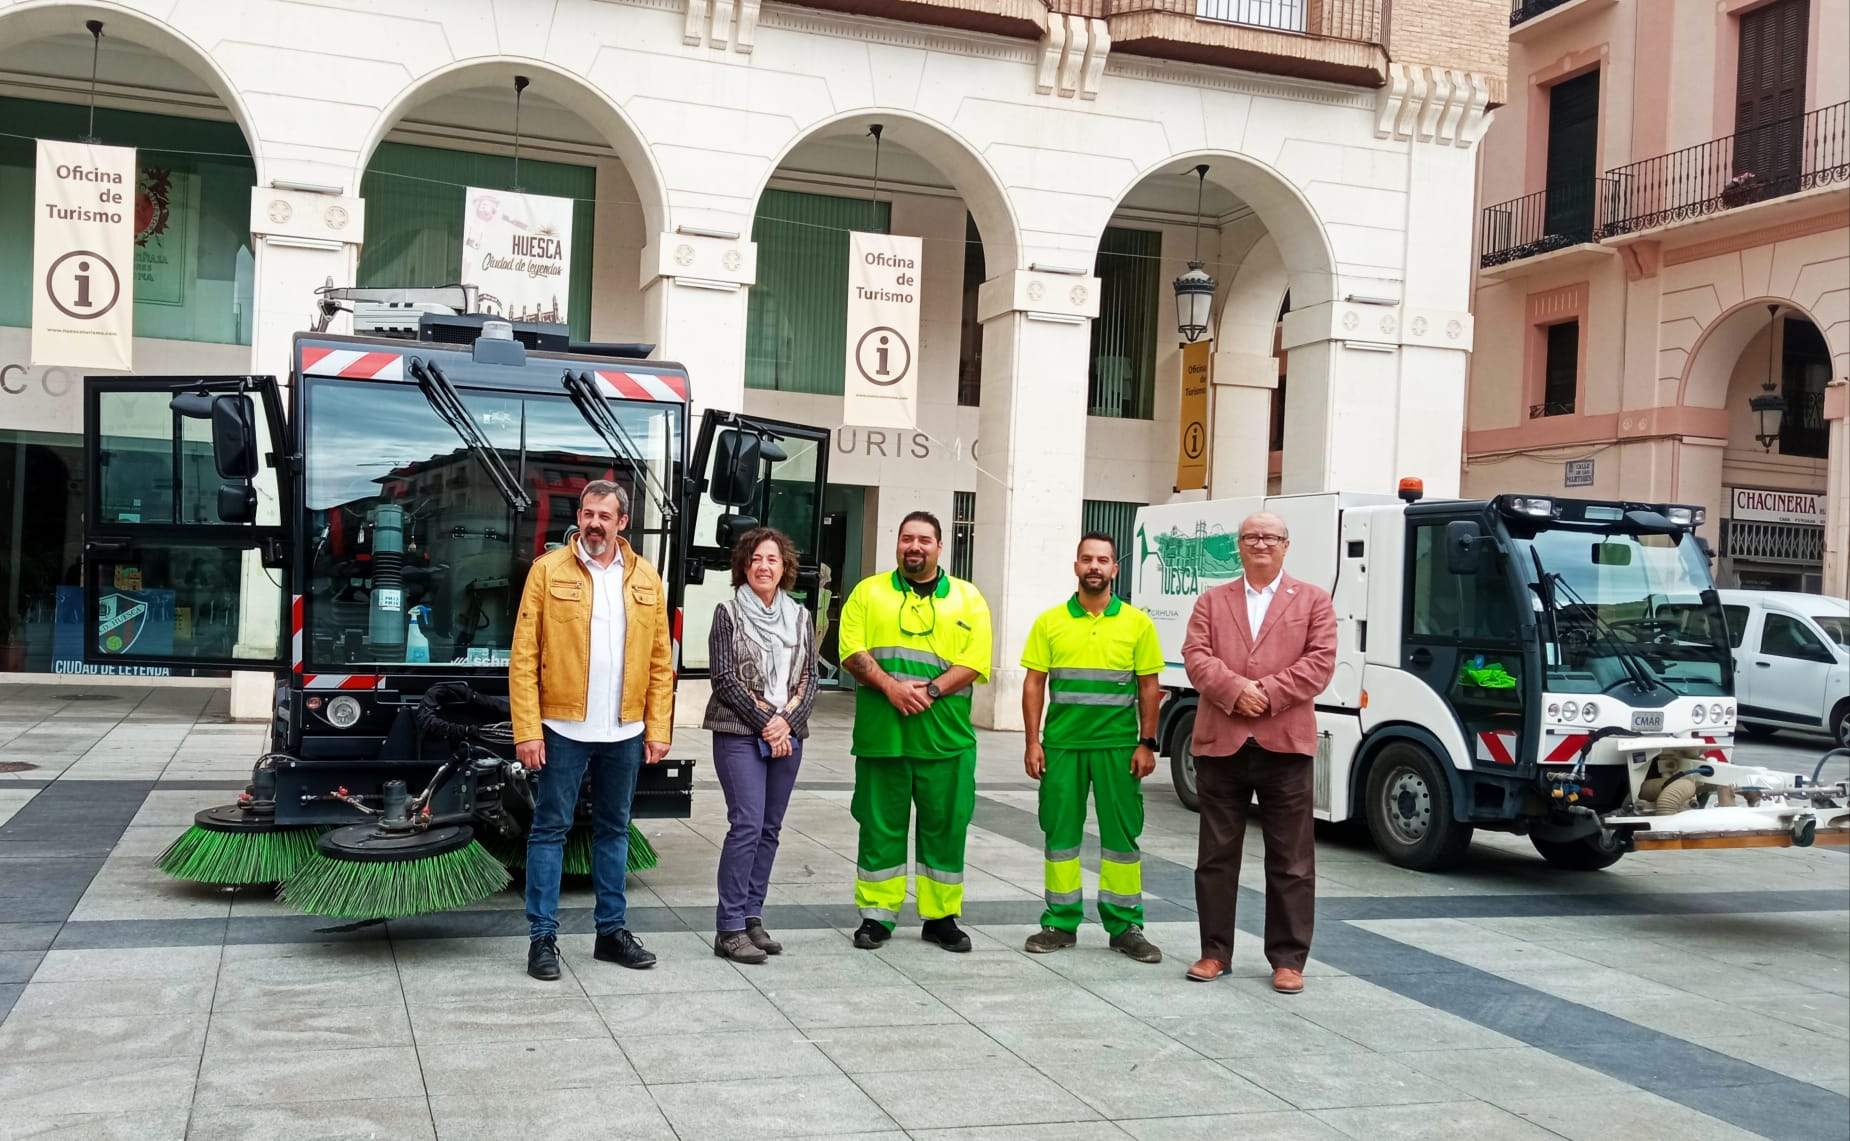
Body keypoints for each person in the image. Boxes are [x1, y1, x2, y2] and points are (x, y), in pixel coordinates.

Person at [510, 480, 673, 981]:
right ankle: (542, 938)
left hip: (624, 729)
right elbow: (525, 656)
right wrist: (528, 729)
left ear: (622, 522)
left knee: (614, 829)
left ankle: (611, 933)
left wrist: (658, 726)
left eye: (605, 515)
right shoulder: (548, 570)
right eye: (587, 513)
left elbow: (661, 660)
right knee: (549, 829)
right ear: (578, 517)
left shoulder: (647, 578)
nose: (594, 523)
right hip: (561, 727)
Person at [1181, 511, 1336, 993]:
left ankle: (1288, 959)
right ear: (1238, 546)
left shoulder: (1313, 600)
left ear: (1286, 545)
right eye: (1252, 536)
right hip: (1222, 745)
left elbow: (1320, 663)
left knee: (1291, 859)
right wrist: (1233, 689)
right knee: (1216, 857)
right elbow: (1195, 655)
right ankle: (1213, 952)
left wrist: (1265, 692)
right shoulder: (1212, 600)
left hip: (1284, 744)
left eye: (1270, 537)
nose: (1261, 543)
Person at [838, 510, 992, 952]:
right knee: (879, 827)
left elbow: (976, 659)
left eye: (924, 540)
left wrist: (930, 691)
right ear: (898, 543)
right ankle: (877, 916)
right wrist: (890, 688)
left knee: (946, 827)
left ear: (940, 547)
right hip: (882, 737)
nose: (915, 547)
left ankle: (941, 916)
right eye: (907, 538)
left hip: (946, 739)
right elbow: (851, 650)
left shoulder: (968, 598)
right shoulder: (869, 593)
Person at [1020, 533, 1164, 964]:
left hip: (1119, 747)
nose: (1095, 567)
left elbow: (1149, 687)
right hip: (1062, 746)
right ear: (1076, 566)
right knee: (1060, 834)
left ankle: (1125, 925)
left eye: (1103, 560)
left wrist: (1147, 742)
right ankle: (1060, 922)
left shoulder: (1138, 623)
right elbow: (1034, 683)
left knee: (1122, 838)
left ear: (1115, 569)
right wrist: (1032, 741)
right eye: (1087, 559)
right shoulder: (1049, 622)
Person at [704, 527, 819, 963]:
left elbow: (810, 678)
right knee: (747, 824)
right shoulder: (727, 614)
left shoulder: (801, 618)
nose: (764, 566)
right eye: (756, 559)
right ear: (743, 566)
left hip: (788, 734)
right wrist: (769, 722)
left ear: (784, 566)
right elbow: (726, 680)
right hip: (737, 731)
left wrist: (786, 721)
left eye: (772, 559)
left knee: (770, 830)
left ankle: (753, 917)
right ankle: (729, 927)